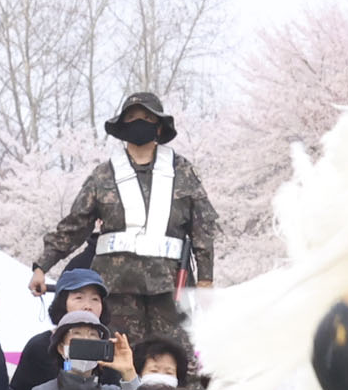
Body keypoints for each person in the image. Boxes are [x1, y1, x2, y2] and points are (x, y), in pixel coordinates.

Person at [35, 90, 214, 365]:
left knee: (176, 358)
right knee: (118, 358)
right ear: (122, 125)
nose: (139, 122)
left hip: (169, 285)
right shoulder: (103, 174)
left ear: (158, 125)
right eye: (132, 117)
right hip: (117, 285)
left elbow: (202, 225)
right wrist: (42, 266)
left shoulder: (182, 171)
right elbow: (75, 224)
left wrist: (205, 280)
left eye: (146, 117)